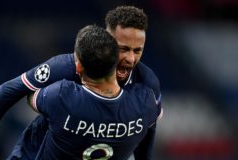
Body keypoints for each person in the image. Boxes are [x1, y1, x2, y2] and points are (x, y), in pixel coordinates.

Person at [0, 5, 162, 160]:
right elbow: (6, 91)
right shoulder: (65, 68)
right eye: (124, 48)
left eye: (138, 50)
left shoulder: (146, 83)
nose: (130, 58)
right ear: (107, 40)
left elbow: (148, 129)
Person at [25, 25, 160, 159]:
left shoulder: (61, 96)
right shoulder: (145, 102)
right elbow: (154, 117)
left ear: (79, 67)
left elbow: (32, 96)